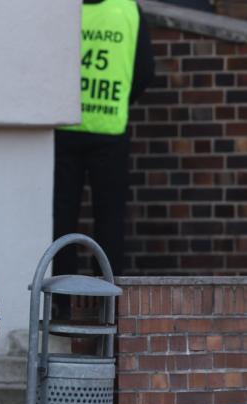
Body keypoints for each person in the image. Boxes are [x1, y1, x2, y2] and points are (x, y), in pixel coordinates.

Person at [53, 0, 155, 317]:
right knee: (110, 220)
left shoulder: (64, 9)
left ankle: (62, 304)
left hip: (66, 127)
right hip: (111, 129)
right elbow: (144, 72)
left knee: (62, 218)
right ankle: (108, 307)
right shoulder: (129, 9)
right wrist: (117, 102)